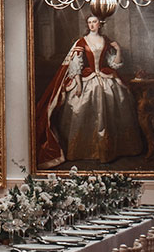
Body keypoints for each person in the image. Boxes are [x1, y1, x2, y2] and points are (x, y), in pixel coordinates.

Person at [34, 14, 145, 167]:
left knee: (117, 105)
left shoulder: (106, 40)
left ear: (100, 24)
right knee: (80, 109)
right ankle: (82, 150)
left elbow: (114, 64)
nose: (92, 25)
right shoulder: (81, 41)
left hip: (106, 78)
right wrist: (78, 84)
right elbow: (76, 65)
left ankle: (112, 150)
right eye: (89, 22)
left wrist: (118, 49)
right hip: (87, 80)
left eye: (95, 22)